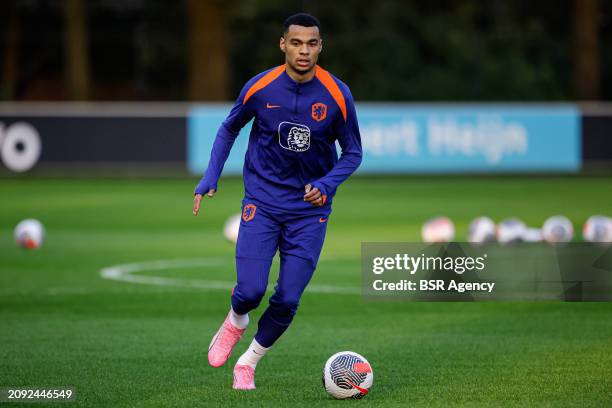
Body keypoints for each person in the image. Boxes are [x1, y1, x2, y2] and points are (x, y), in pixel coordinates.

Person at [192, 12, 362, 390]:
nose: (304, 51)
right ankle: (235, 320)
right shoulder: (260, 88)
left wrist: (328, 183)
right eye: (296, 43)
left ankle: (248, 363)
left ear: (321, 47)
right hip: (263, 202)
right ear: (283, 44)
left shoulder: (337, 95)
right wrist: (210, 176)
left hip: (309, 212)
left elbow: (352, 153)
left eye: (312, 44)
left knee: (287, 298)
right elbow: (229, 128)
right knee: (251, 291)